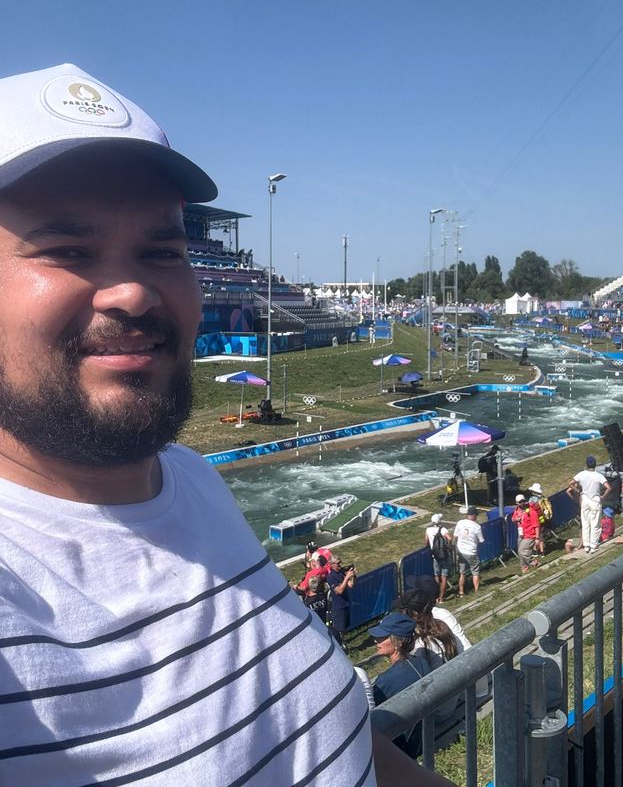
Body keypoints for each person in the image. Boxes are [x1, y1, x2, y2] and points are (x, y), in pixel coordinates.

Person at [0, 62, 438, 786]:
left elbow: (333, 744)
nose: (136, 292)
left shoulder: (194, 484)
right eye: (67, 250)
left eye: (162, 251)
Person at [369, 613, 443, 759]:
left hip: (405, 747)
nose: (376, 640)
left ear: (398, 642)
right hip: (425, 734)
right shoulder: (421, 662)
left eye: (382, 637)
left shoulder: (386, 680)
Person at [567, 455, 612, 554]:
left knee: (586, 523)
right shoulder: (599, 475)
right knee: (595, 523)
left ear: (586, 464)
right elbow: (609, 488)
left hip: (585, 499)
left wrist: (578, 491)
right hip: (595, 499)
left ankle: (586, 545)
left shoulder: (581, 474)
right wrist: (603, 496)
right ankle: (593, 545)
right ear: (595, 465)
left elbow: (570, 483)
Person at [452, 505, 484, 595]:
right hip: (471, 552)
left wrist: (454, 547)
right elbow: (481, 540)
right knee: (475, 572)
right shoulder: (477, 527)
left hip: (461, 551)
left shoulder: (460, 523)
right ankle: (477, 591)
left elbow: (455, 536)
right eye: (476, 515)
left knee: (462, 573)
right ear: (473, 515)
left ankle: (461, 591)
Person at [326, 553, 356, 649]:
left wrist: (353, 576)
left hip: (346, 603)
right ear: (332, 565)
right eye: (338, 563)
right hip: (338, 606)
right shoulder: (331, 577)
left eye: (340, 563)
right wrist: (346, 577)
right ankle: (339, 646)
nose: (340, 565)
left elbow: (351, 585)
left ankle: (343, 642)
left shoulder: (341, 572)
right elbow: (339, 590)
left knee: (344, 627)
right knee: (339, 628)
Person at [425, 512, 453, 603]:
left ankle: (436, 596)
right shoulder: (443, 529)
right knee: (444, 577)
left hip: (435, 556)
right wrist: (448, 546)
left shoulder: (428, 530)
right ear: (440, 521)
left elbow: (426, 543)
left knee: (437, 577)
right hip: (444, 555)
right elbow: (449, 538)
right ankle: (441, 598)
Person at [511, 494, 542, 573]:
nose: (522, 503)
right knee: (520, 552)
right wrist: (516, 519)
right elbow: (513, 519)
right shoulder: (517, 509)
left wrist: (537, 538)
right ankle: (525, 567)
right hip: (521, 533)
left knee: (522, 551)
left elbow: (536, 525)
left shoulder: (531, 510)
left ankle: (534, 562)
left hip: (530, 534)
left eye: (523, 501)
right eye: (520, 502)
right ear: (517, 503)